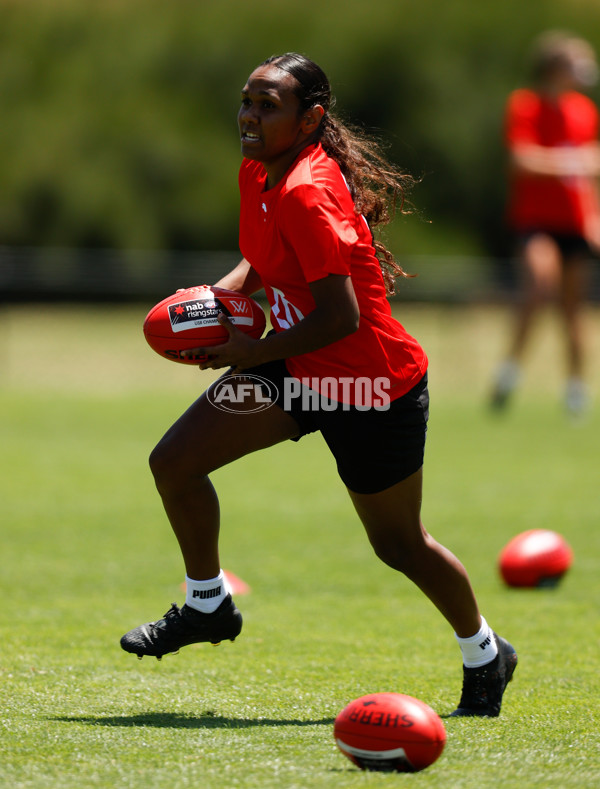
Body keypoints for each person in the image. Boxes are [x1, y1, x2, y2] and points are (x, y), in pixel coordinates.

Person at [120, 53, 517, 717]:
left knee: (398, 544)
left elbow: (343, 315)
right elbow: (265, 254)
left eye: (268, 104)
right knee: (175, 462)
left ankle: (485, 652)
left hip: (371, 385)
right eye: (246, 100)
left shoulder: (310, 188)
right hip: (295, 368)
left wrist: (252, 349)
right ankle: (208, 603)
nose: (249, 115)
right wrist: (218, 301)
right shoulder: (259, 169)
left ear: (312, 118)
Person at [491, 31, 600, 416]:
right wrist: (575, 162)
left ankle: (575, 390)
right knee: (539, 285)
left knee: (573, 309)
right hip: (535, 220)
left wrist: (594, 219)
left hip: (574, 222)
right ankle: (509, 373)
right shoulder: (525, 105)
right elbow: (522, 160)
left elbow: (591, 174)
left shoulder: (585, 111)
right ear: (555, 67)